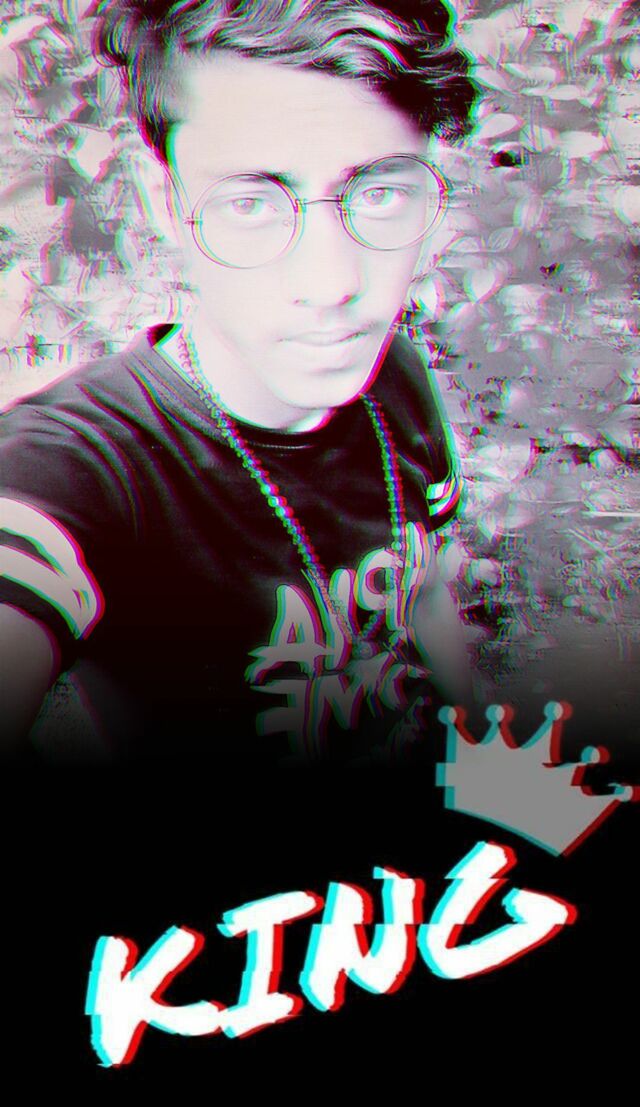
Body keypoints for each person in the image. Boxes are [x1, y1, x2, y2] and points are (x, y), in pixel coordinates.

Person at [0, 0, 478, 773]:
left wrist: (477, 745)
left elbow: (425, 592)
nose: (332, 284)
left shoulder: (393, 372)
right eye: (251, 203)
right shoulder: (76, 468)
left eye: (380, 193)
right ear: (164, 201)